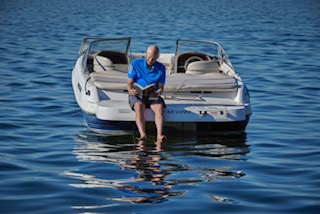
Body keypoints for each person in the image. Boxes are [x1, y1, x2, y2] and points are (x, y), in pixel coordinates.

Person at [127, 45, 166, 142]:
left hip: (152, 94)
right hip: (138, 93)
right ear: (146, 54)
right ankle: (142, 133)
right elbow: (129, 83)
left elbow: (161, 87)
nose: (150, 60)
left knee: (159, 108)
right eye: (148, 57)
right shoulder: (135, 63)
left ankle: (159, 135)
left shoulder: (161, 68)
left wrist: (157, 93)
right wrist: (130, 90)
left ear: (157, 57)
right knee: (139, 106)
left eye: (153, 59)